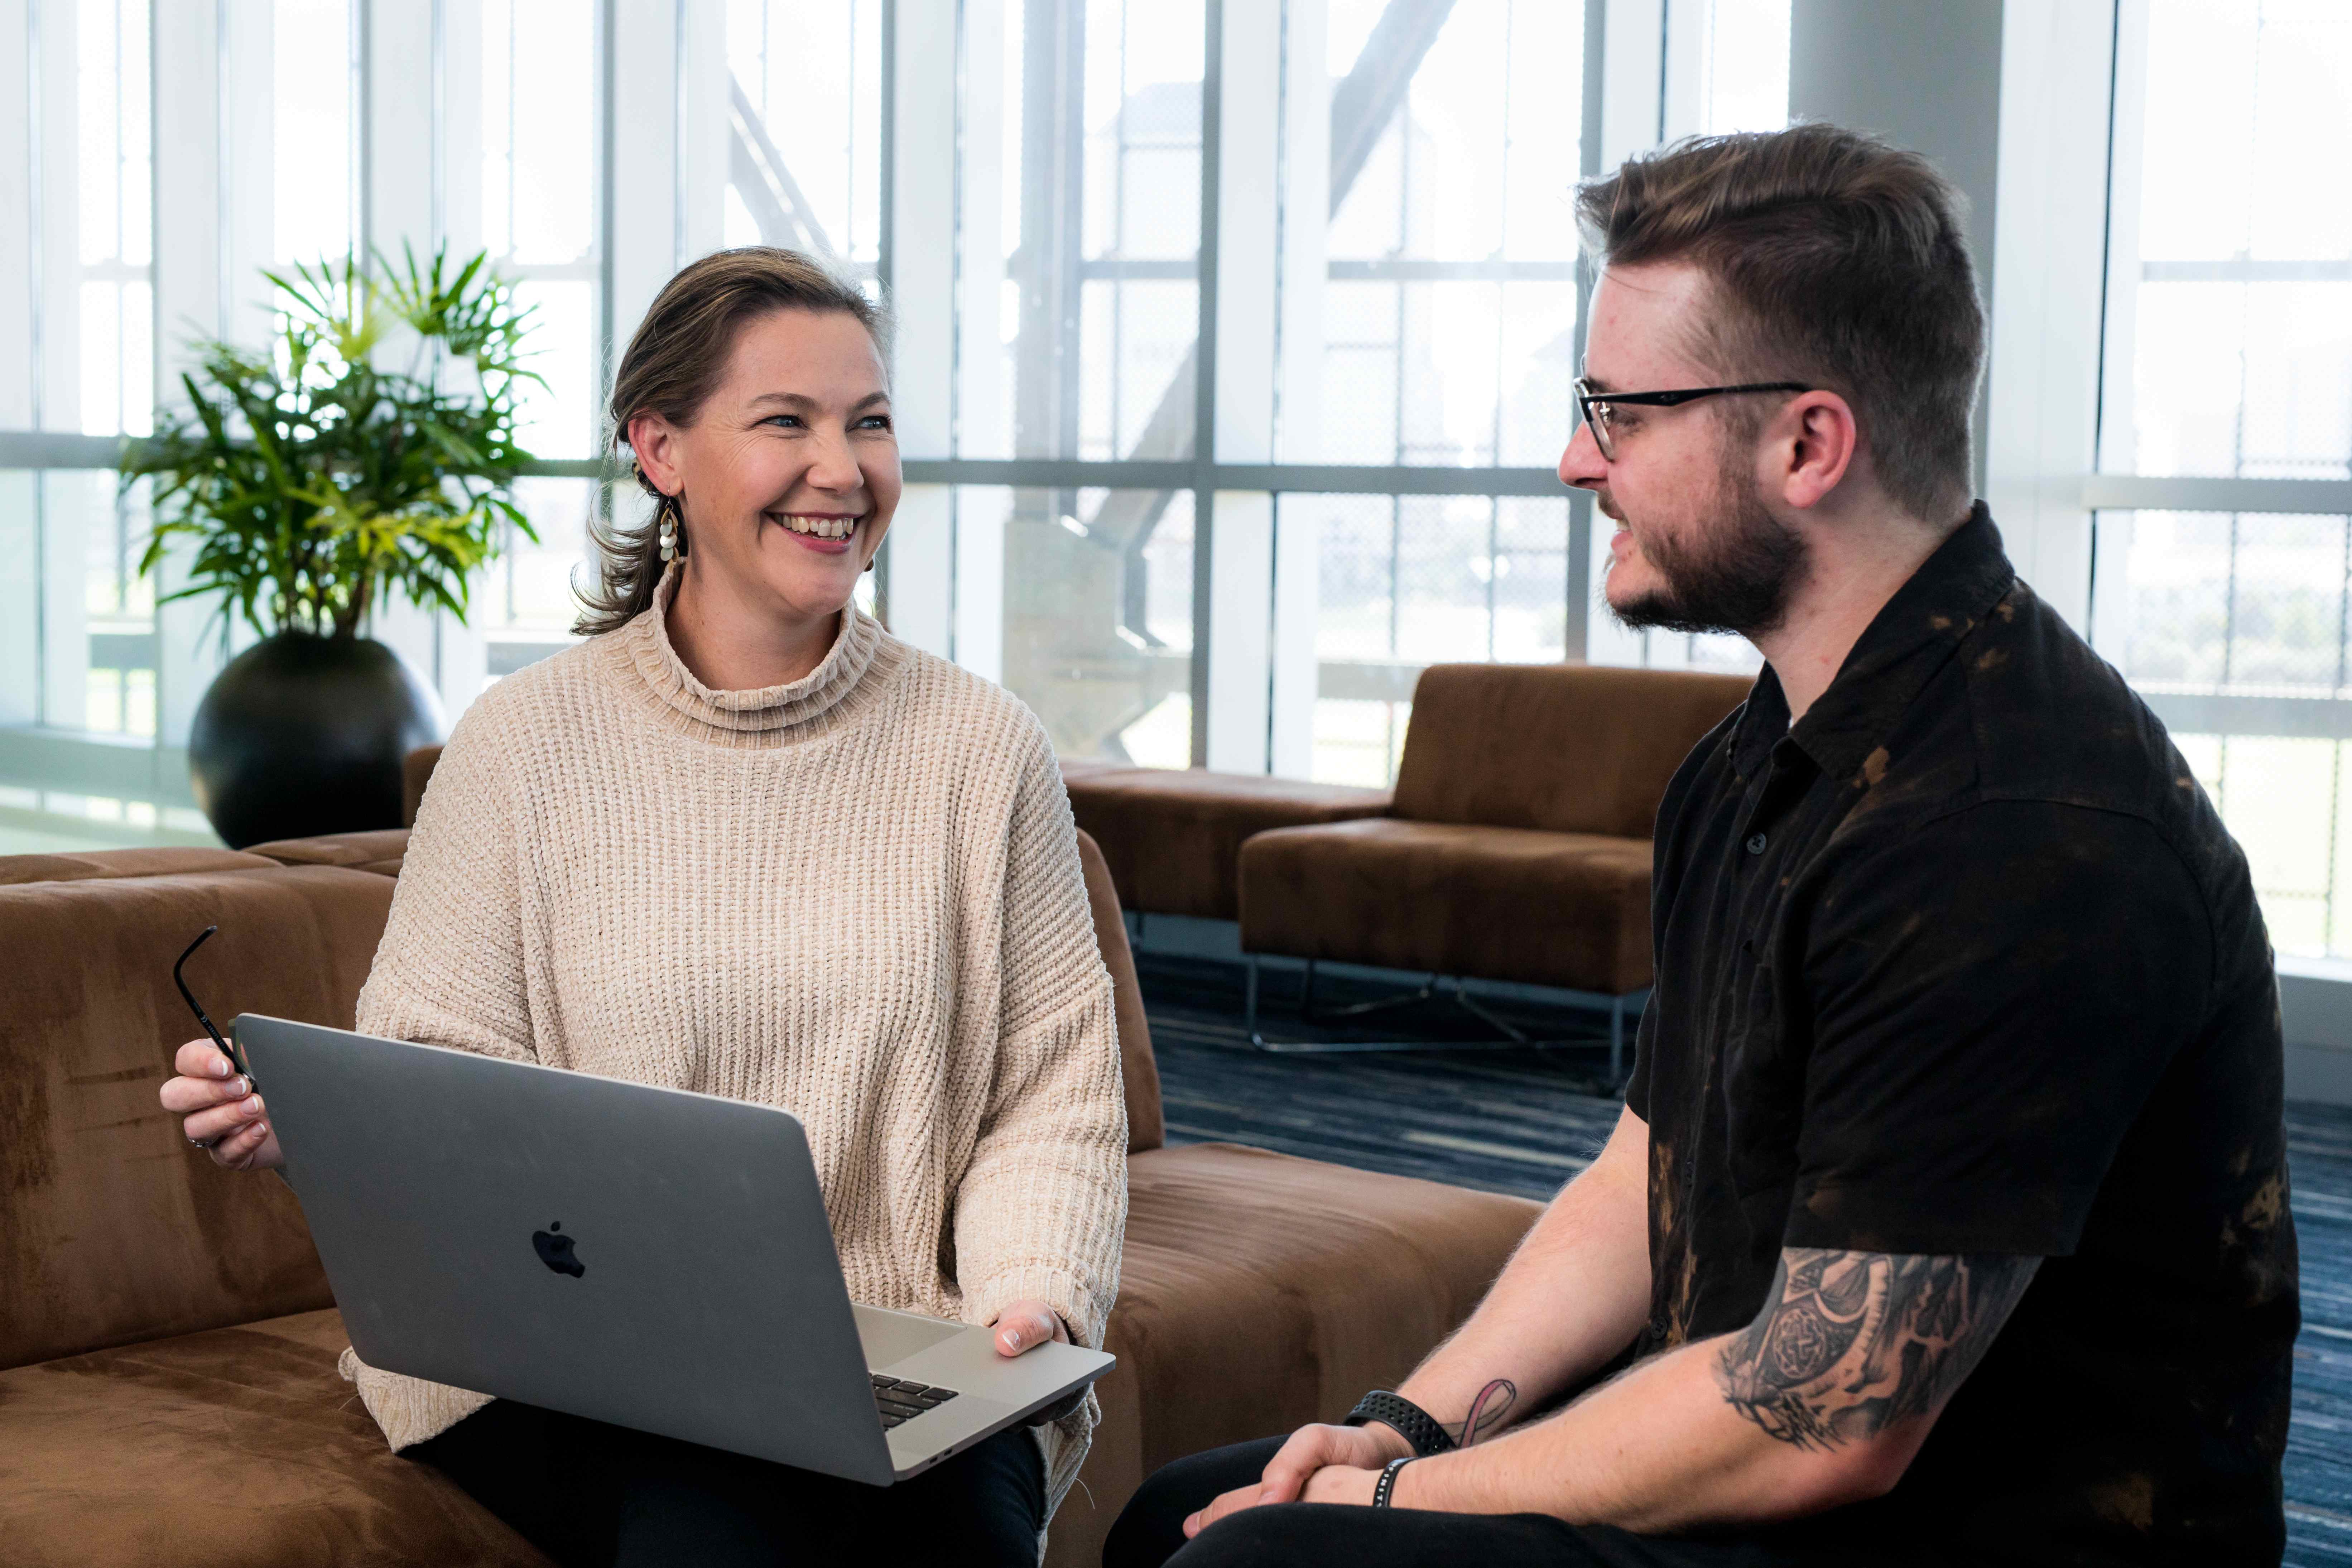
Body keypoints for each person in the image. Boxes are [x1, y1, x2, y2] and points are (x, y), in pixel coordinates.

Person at [1105, 123, 2297, 1568]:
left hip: (1951, 1528)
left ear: (1807, 442)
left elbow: (1822, 1419)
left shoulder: (2016, 830)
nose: (1573, 462)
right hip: (1775, 1468)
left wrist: (1381, 1509)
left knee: (1256, 1557)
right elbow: (1644, 1171)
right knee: (1187, 1510)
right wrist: (1404, 1430)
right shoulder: (1757, 760)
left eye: (1620, 414)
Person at [159, 247, 1130, 1568]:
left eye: (871, 421)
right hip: (576, 1360)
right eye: (785, 421)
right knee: (721, 1518)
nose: (841, 469)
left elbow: (1051, 1095)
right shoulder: (522, 747)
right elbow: (438, 1073)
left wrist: (1031, 1303)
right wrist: (310, 1125)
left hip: (901, 1342)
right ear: (661, 448)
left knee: (958, 1529)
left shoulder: (981, 748)